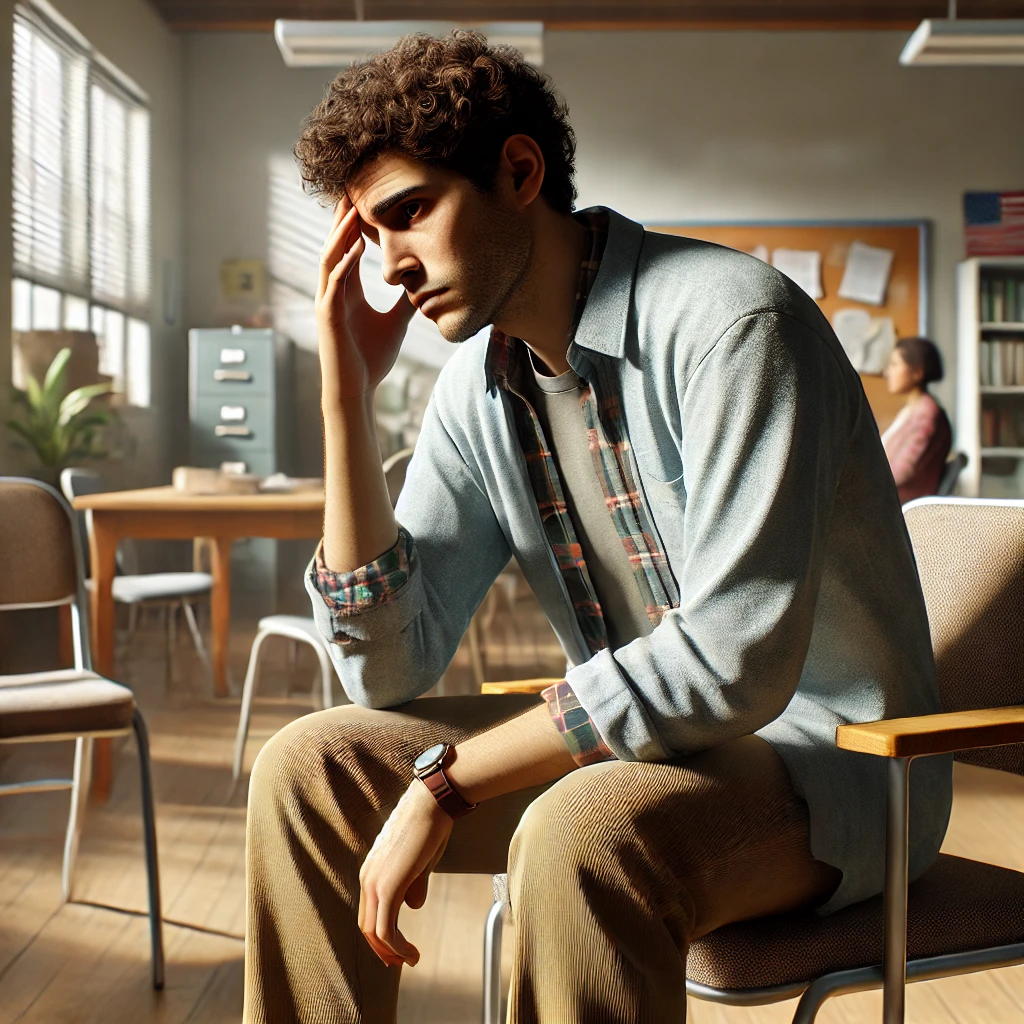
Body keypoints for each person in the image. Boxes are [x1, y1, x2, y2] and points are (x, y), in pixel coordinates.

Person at [243, 32, 952, 1024]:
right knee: (307, 767)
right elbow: (387, 668)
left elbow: (729, 663)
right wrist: (346, 397)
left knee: (583, 824)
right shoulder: (471, 394)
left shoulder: (734, 324)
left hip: (840, 771)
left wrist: (445, 783)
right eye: (370, 233)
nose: (391, 266)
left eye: (410, 212)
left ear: (519, 171)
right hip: (647, 749)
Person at [881, 336, 953, 505]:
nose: (887, 372)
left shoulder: (926, 415)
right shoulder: (913, 409)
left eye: (895, 365)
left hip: (899, 507)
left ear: (917, 373)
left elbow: (900, 472)